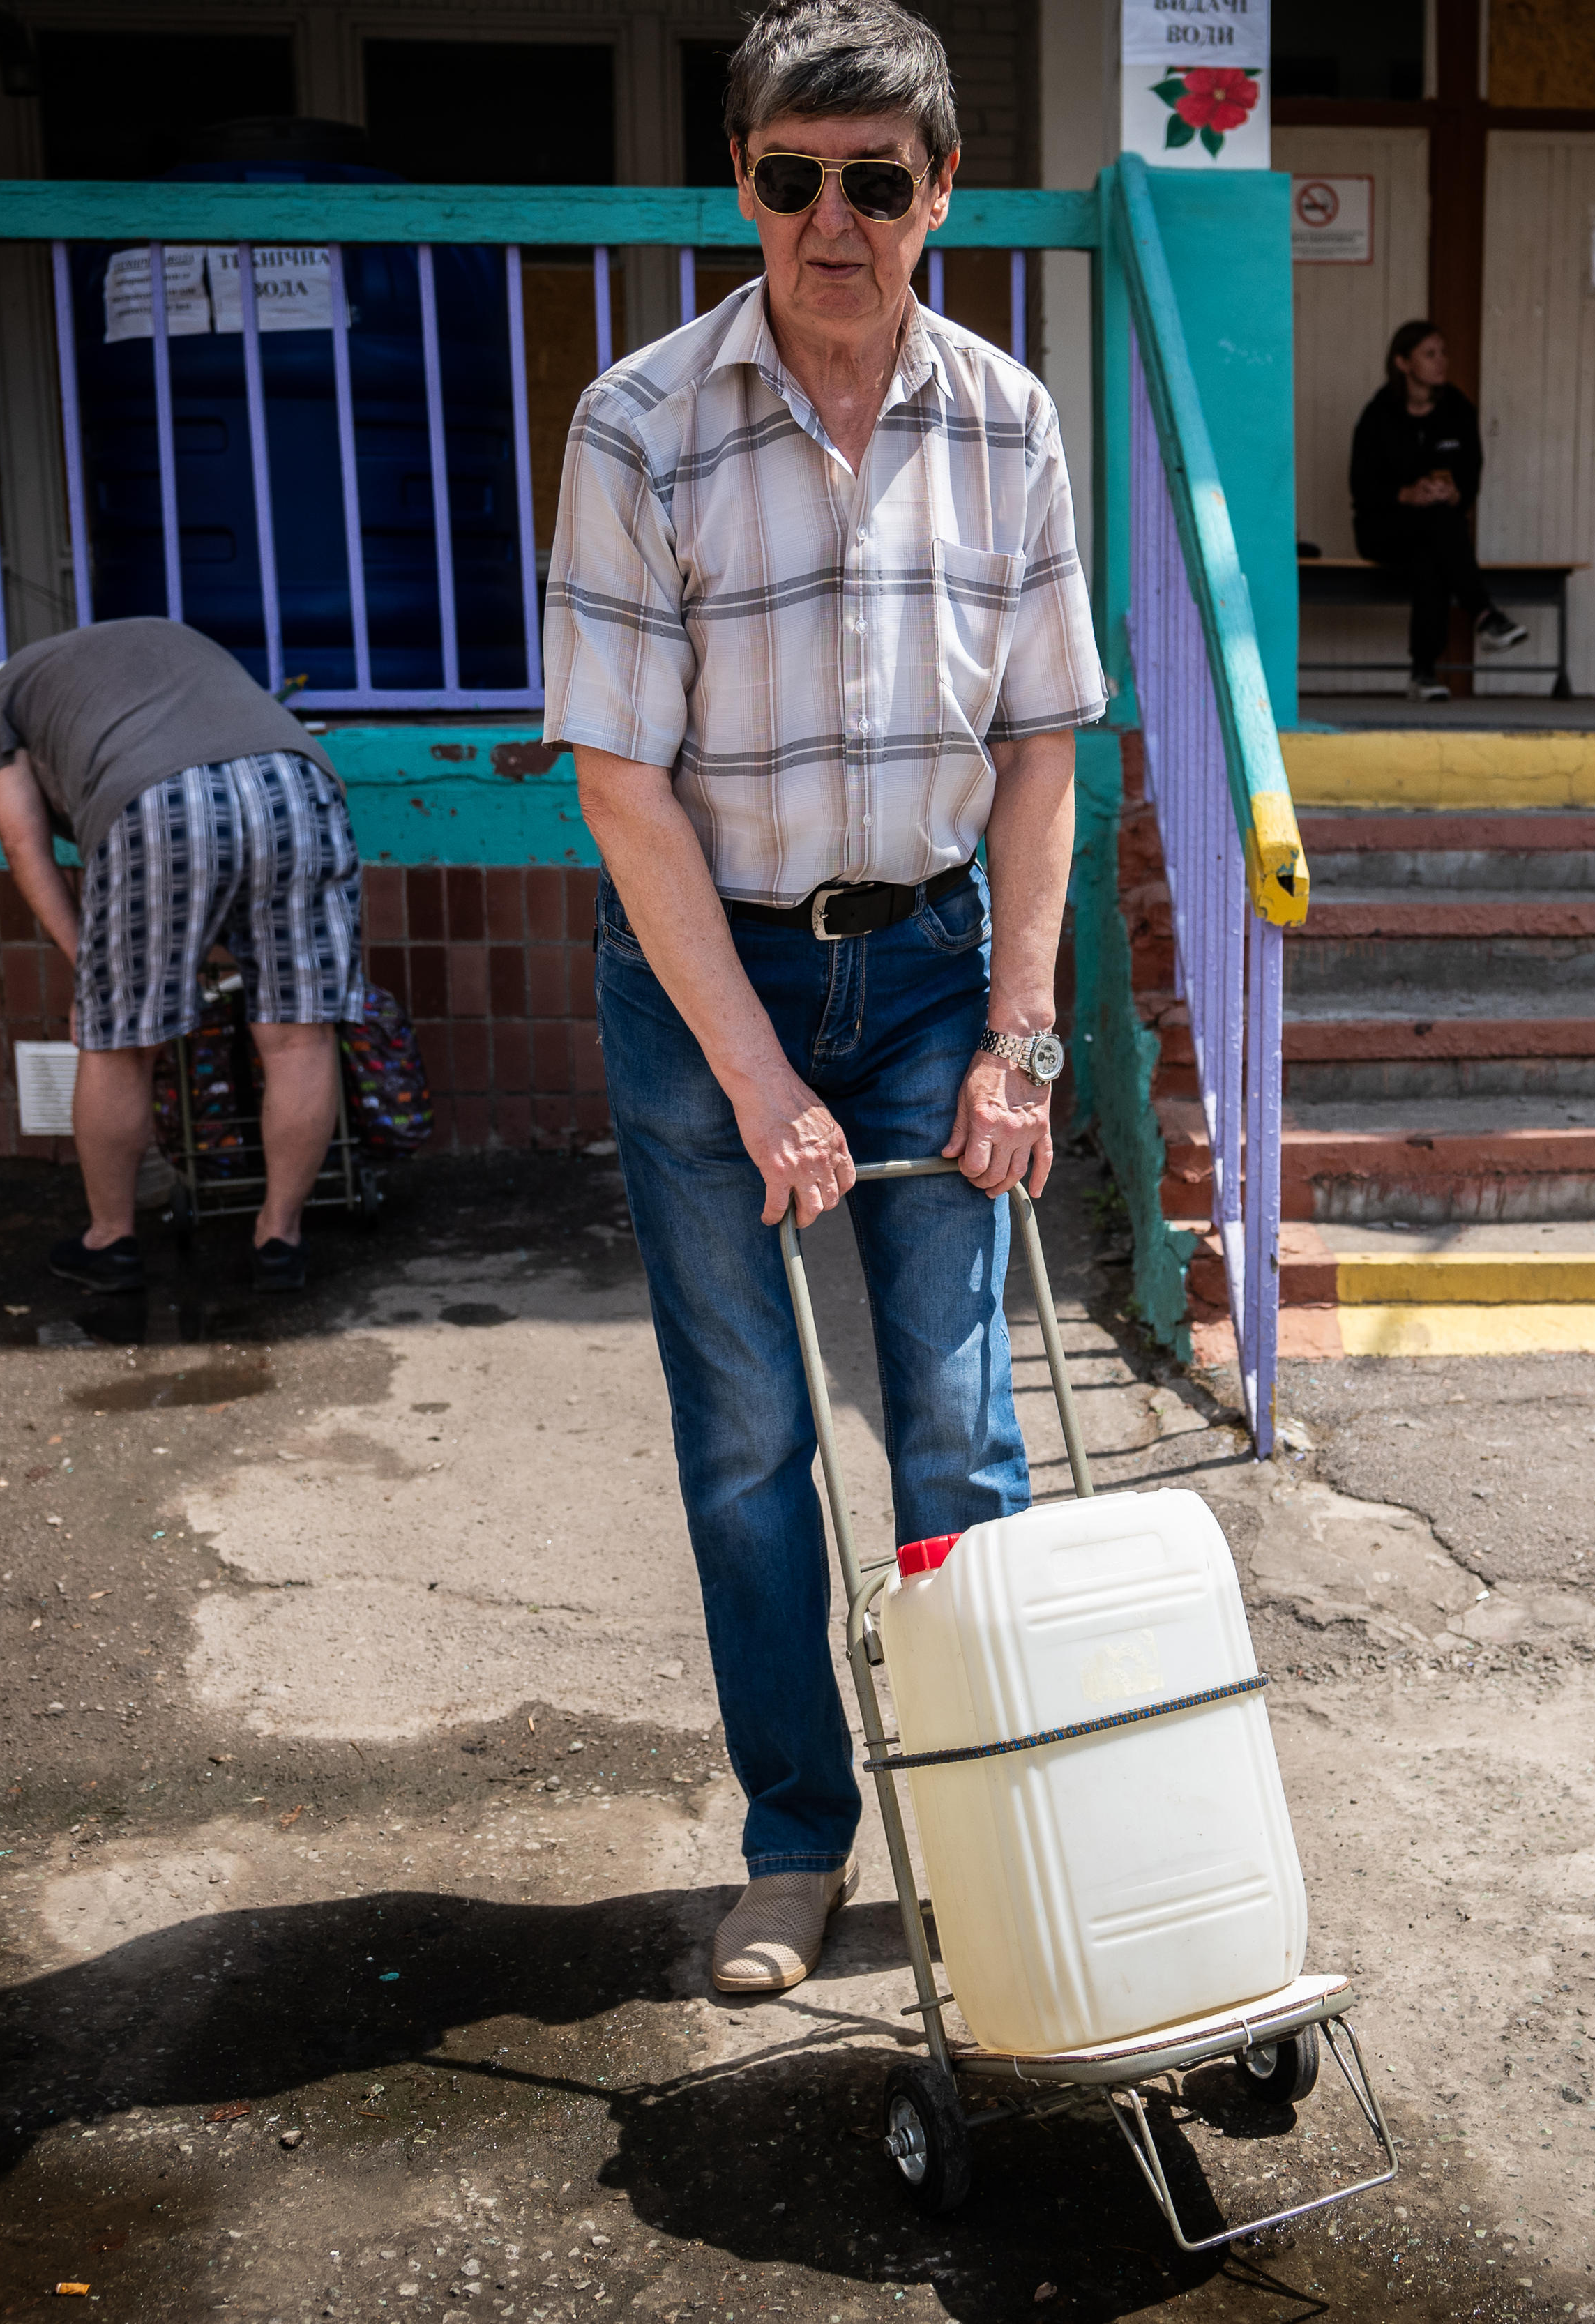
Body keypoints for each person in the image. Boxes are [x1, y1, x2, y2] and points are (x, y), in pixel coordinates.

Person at [536, 0, 1103, 1995]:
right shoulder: (639, 426)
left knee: (960, 1432)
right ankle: (795, 1842)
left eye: (879, 179)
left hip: (943, 961)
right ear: (746, 185)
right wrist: (762, 1068)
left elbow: (1042, 745)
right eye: (795, 177)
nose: (835, 219)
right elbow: (621, 783)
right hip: (718, 975)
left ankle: (994, 1820)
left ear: (940, 191)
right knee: (752, 1440)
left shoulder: (1012, 420)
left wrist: (1024, 1036)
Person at [0, 616, 363, 1296]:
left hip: (157, 800)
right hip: (295, 783)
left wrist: (87, 966)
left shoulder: (3, 691)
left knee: (119, 1044)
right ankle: (280, 1238)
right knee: (299, 1034)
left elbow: (23, 844)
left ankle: (110, 1243)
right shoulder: (167, 639)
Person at [1348, 319, 1527, 700]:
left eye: (1444, 352)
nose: (1442, 361)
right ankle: (1483, 614)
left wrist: (1453, 492)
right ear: (1403, 362)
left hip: (1436, 529)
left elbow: (1471, 475)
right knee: (1437, 532)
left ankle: (1424, 675)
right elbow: (1361, 487)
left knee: (1431, 553)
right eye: (1430, 354)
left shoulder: (1457, 410)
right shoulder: (1378, 415)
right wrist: (1405, 495)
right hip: (1383, 528)